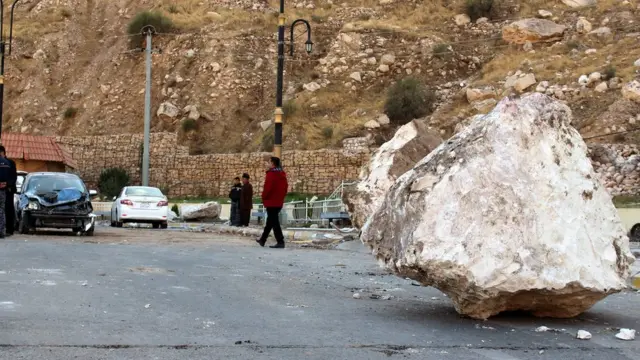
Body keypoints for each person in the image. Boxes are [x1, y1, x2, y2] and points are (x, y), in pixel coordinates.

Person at [256, 156, 288, 249]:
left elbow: (268, 188)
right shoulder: (282, 174)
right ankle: (263, 239)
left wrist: (263, 197)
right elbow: (285, 187)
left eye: (269, 162)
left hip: (271, 201)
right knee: (270, 221)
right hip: (278, 201)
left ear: (273, 163)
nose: (268, 164)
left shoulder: (271, 174)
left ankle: (280, 241)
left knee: (274, 222)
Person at [0, 146, 15, 236]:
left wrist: (9, 185)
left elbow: (13, 176)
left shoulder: (10, 162)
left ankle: (9, 229)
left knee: (8, 209)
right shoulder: (7, 162)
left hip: (8, 190)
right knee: (2, 210)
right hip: (4, 190)